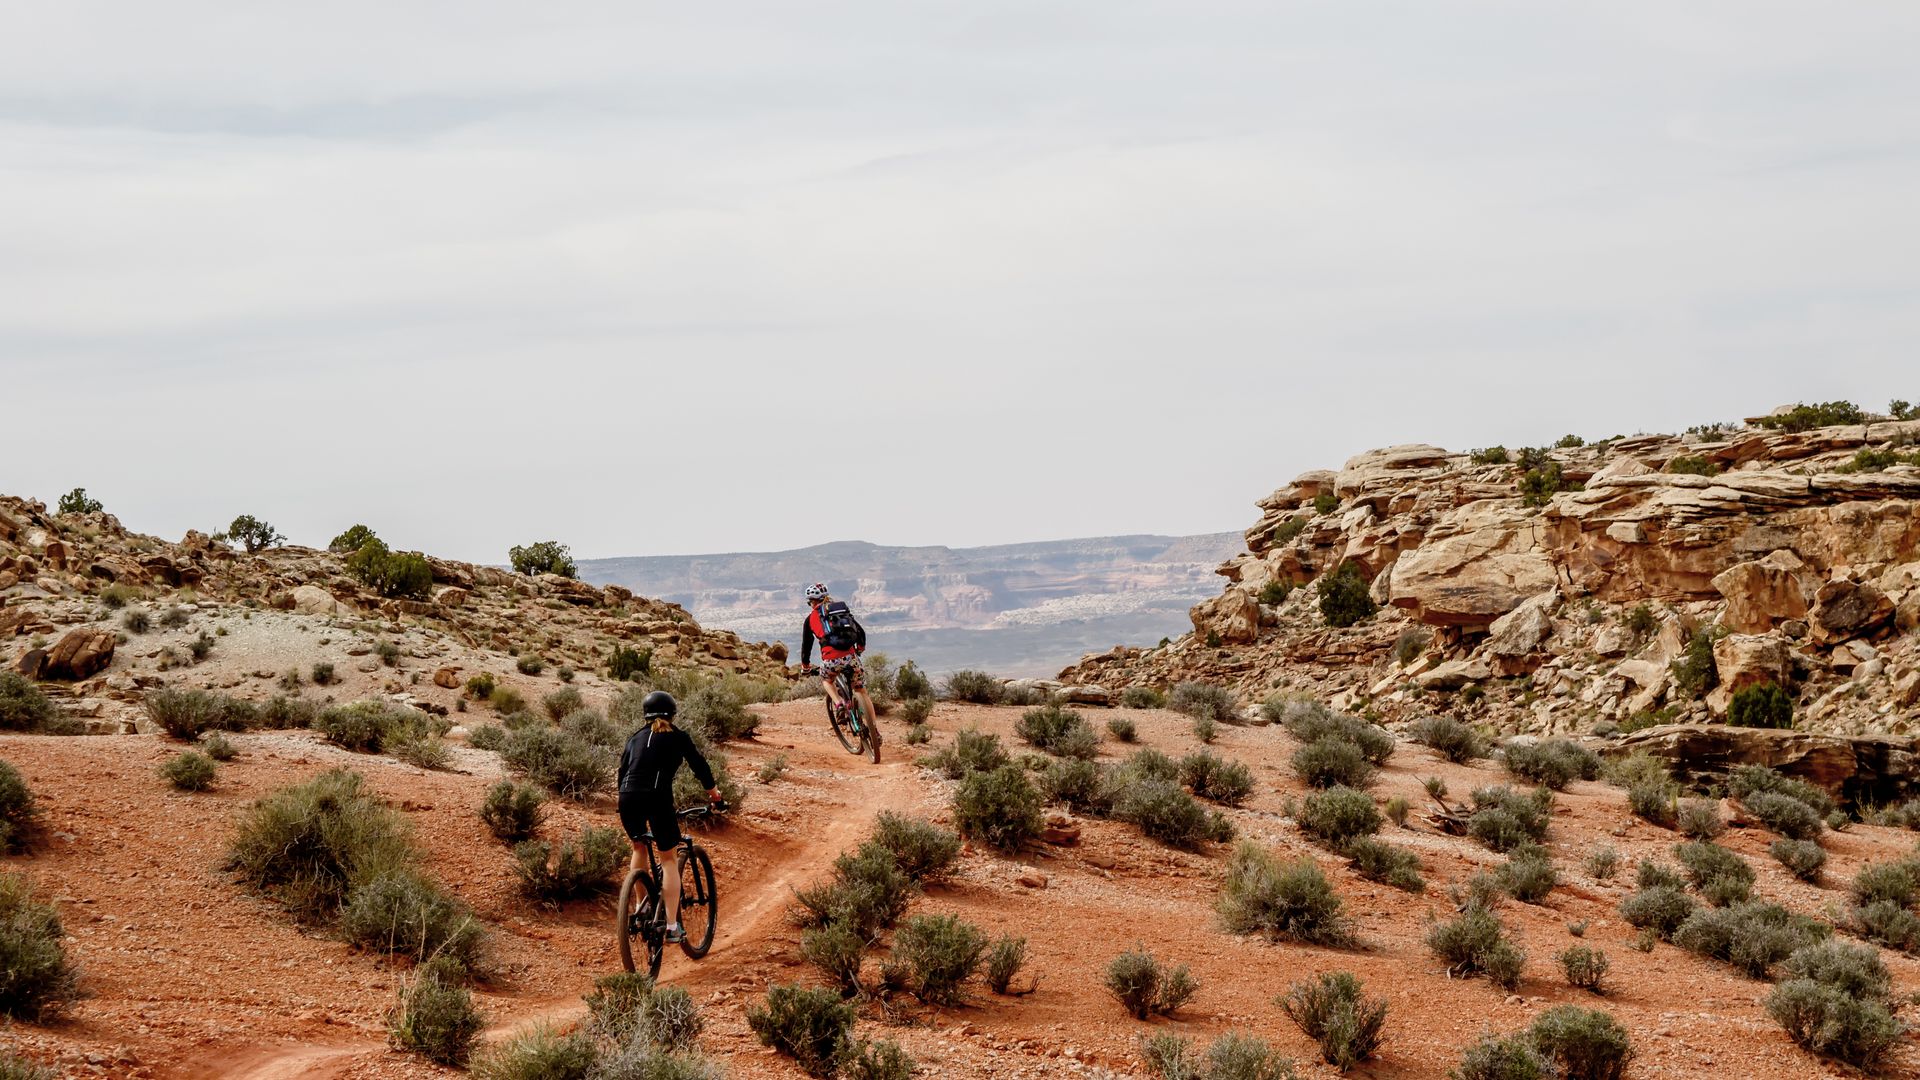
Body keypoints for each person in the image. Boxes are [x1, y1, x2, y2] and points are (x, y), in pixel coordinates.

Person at [616, 690, 721, 944]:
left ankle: (642, 907)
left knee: (638, 847)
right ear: (672, 714)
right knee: (668, 859)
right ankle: (673, 927)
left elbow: (622, 772)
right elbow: (699, 766)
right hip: (656, 798)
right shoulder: (678, 737)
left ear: (645, 714)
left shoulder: (634, 738)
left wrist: (625, 800)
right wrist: (715, 796)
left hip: (627, 797)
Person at [798, 582, 878, 743]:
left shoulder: (810, 619)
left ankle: (839, 704)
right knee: (861, 691)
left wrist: (805, 666)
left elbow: (806, 646)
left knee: (827, 680)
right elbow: (859, 631)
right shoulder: (840, 611)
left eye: (809, 602)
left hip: (830, 659)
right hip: (851, 656)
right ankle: (874, 730)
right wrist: (859, 649)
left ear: (812, 601)